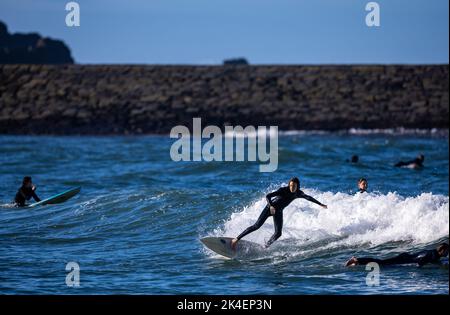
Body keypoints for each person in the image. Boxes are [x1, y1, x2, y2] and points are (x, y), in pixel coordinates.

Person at [231, 177, 327, 249]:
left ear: (297, 186)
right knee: (256, 226)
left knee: (278, 233)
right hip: (270, 208)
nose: (292, 187)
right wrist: (271, 205)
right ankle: (236, 239)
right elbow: (268, 196)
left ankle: (265, 247)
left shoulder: (298, 193)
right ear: (289, 185)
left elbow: (309, 197)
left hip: (279, 211)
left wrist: (321, 204)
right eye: (291, 185)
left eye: (294, 186)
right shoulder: (283, 190)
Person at [345, 243, 449, 267]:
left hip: (406, 257)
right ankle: (357, 260)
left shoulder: (434, 253)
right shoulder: (433, 255)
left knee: (382, 263)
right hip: (404, 259)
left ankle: (358, 262)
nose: (448, 253)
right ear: (442, 250)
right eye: (447, 251)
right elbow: (422, 261)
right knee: (381, 263)